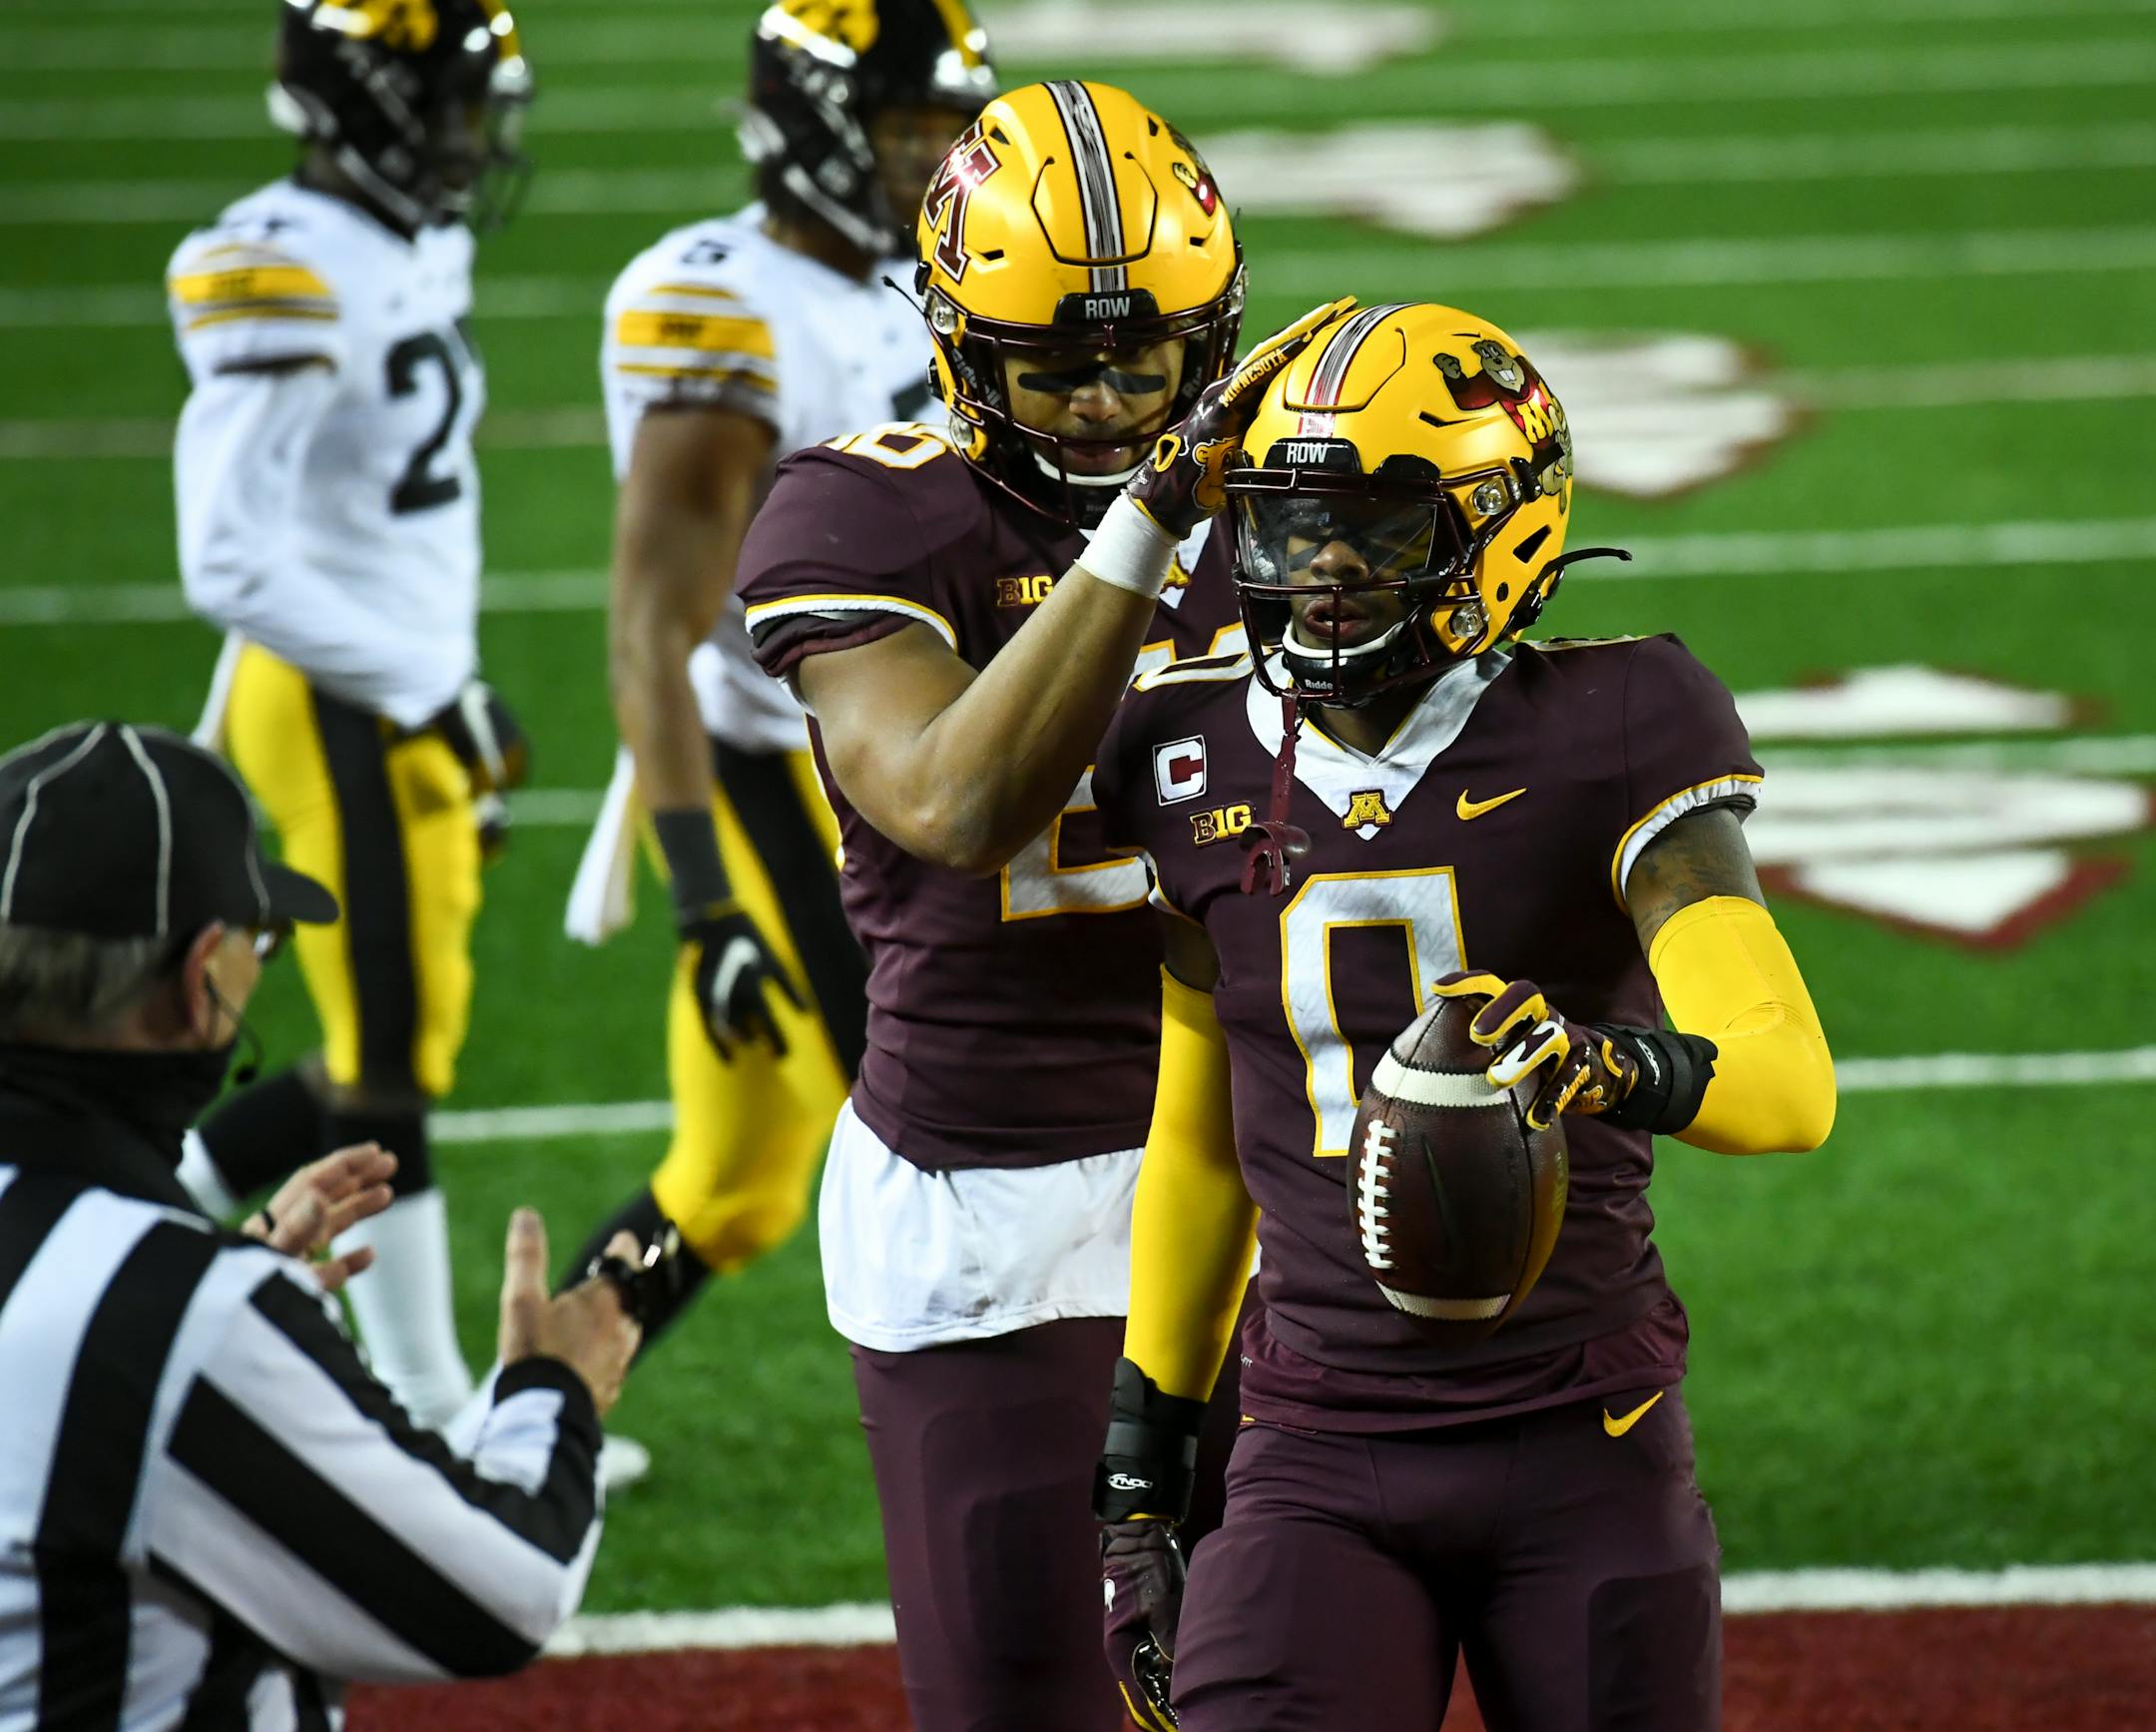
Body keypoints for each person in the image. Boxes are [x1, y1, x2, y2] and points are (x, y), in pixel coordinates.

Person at [1082, 301, 1839, 1729]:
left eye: (1371, 528)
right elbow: (1200, 1138)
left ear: (1500, 530)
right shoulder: (1184, 745)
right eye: (1287, 527)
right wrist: (1140, 1471)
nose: (1319, 574)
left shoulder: (1620, 718)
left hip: (1584, 1436)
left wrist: (1609, 1064)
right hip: (1313, 1443)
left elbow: (1790, 1083)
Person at [738, 76, 1345, 1730]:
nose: (1101, 401)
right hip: (1001, 1193)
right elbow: (949, 800)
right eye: (1053, 363)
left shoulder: (1302, 503)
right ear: (954, 344)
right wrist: (1152, 527)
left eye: (1141, 357)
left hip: (1266, 1174)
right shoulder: (864, 509)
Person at [0, 723, 641, 1729]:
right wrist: (552, 1389)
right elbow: (506, 1591)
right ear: (197, 972)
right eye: (259, 943)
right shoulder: (181, 1320)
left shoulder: (136, 1290)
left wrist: (213, 1279)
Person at [557, 0, 997, 1381]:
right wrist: (701, 900)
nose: (930, 163)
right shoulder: (722, 304)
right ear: (811, 125)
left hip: (925, 739)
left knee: (740, 1173)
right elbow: (653, 629)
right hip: (778, 766)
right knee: (957, 1118)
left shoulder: (935, 272)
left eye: (946, 130)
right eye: (902, 129)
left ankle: (528, 1387)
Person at [165, 0, 536, 1431]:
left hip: (394, 692)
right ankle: (434, 1403)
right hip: (341, 702)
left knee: (402, 1036)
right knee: (386, 1055)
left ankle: (137, 1207)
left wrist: (449, 684)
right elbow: (230, 558)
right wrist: (426, 688)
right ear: (365, 101)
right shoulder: (285, 260)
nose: (470, 137)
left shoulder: (400, 242)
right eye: (445, 103)